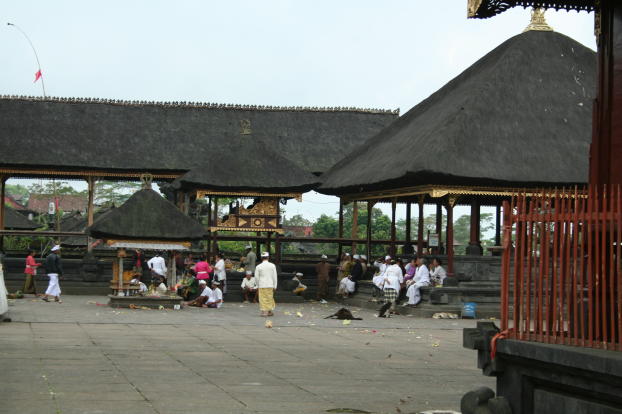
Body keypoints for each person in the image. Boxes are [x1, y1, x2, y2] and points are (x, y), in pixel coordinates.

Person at [255, 252, 278, 317]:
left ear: (261, 258)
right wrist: (275, 285)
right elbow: (275, 276)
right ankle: (270, 311)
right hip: (270, 284)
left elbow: (256, 277)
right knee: (270, 297)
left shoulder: (258, 266)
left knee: (263, 298)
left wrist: (257, 285)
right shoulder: (272, 265)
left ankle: (265, 312)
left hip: (262, 284)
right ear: (268, 257)